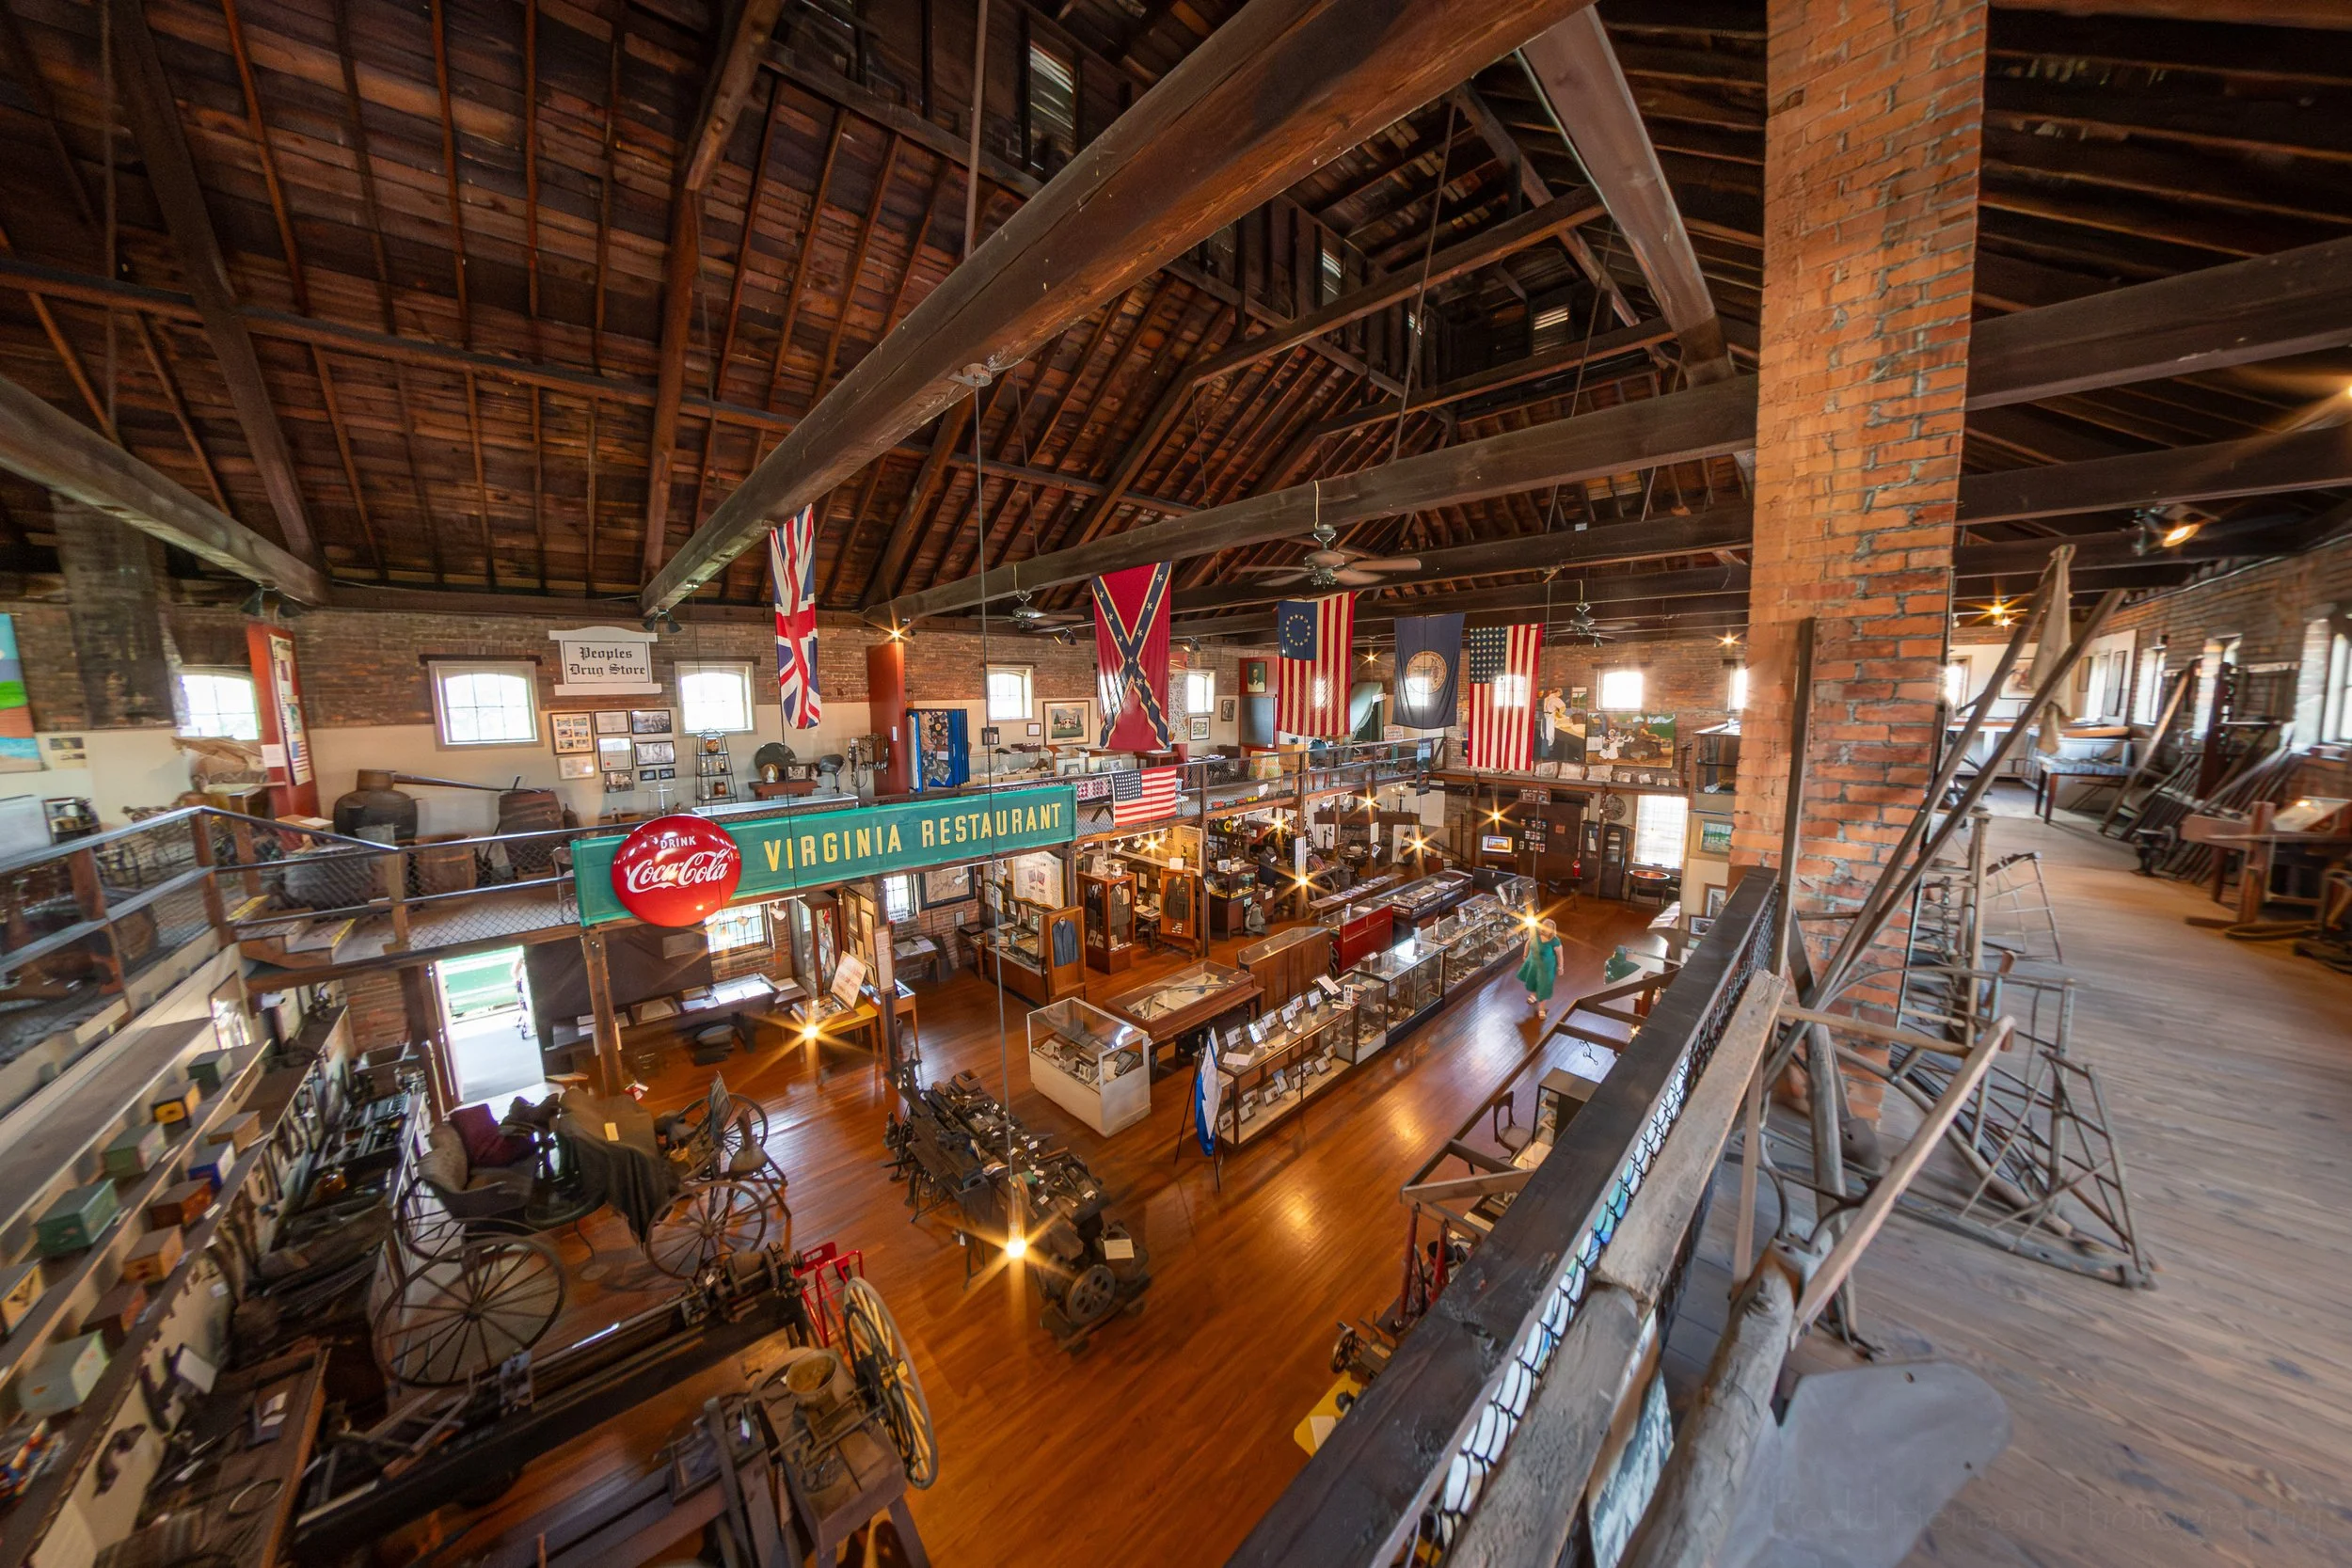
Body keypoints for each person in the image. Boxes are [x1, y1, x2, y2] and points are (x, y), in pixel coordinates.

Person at [1518, 918, 1564, 1013]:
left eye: (1548, 929)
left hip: (1546, 968)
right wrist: (1525, 955)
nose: (1545, 931)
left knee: (1543, 987)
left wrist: (1560, 967)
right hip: (1533, 964)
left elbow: (1560, 955)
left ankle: (1541, 1009)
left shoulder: (1555, 941)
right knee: (1533, 981)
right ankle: (1534, 995)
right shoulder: (1535, 934)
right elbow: (1528, 943)